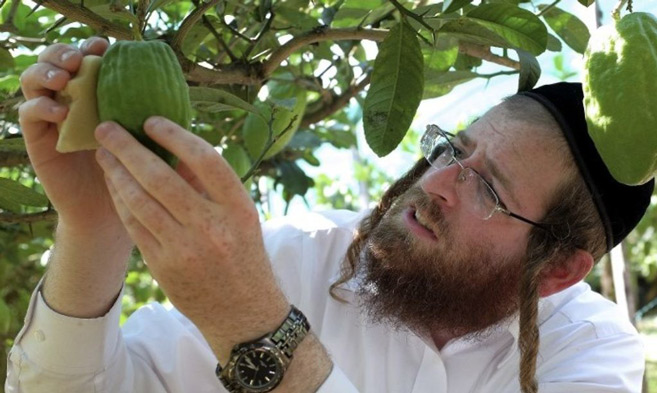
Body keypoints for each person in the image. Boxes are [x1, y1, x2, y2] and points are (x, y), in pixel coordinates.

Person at [6, 36, 654, 393]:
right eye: (453, 148)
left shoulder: (587, 356)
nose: (438, 182)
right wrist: (93, 229)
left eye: (487, 186)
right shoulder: (294, 255)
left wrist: (260, 328)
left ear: (557, 272)